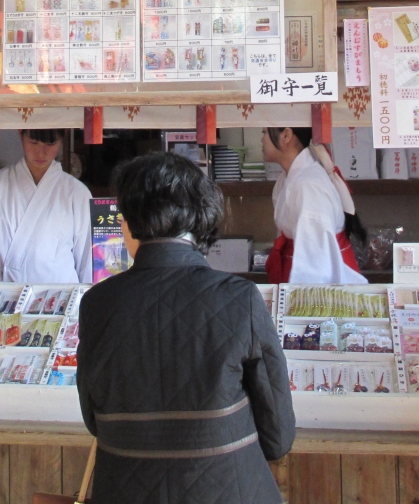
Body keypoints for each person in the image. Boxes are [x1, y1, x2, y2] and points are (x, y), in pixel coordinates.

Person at [76, 151, 294, 504]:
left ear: (129, 223)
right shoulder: (240, 298)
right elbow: (278, 437)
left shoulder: (96, 305)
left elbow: (93, 420)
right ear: (199, 219)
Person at [0, 128, 92, 283]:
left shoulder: (77, 192)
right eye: (34, 142)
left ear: (62, 139)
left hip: (62, 294)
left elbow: (89, 259)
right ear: (20, 134)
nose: (41, 152)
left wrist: (86, 297)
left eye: (50, 144)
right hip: (2, 295)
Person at [263, 126, 366, 284]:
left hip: (318, 282)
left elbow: (316, 261)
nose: (262, 139)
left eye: (264, 132)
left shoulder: (309, 184)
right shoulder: (293, 178)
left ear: (286, 135)